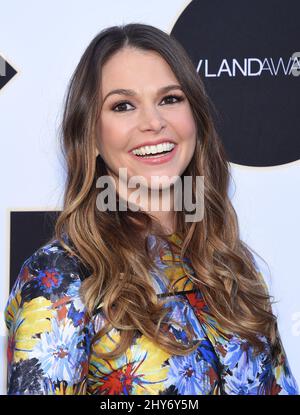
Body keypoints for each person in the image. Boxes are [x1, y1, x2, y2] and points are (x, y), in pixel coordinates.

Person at [4, 23, 299, 395]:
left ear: (197, 119)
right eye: (123, 105)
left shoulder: (230, 265)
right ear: (91, 136)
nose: (153, 122)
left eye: (170, 99)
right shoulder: (61, 277)